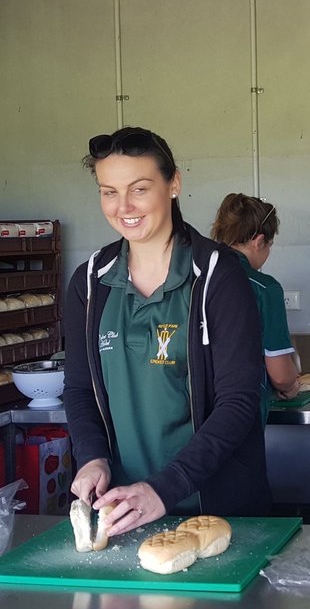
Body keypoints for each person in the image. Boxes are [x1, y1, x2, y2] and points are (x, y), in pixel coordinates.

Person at [65, 127, 272, 536]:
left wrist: (166, 488)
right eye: (109, 192)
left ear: (173, 183)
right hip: (122, 512)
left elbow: (239, 401)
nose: (123, 206)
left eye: (139, 189)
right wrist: (92, 457)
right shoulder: (90, 282)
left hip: (217, 514)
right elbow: (79, 388)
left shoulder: (217, 276)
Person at [210, 192, 301, 422]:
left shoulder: (195, 278)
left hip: (188, 413)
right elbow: (281, 376)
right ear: (259, 241)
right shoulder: (264, 288)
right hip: (239, 416)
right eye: (269, 245)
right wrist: (291, 385)